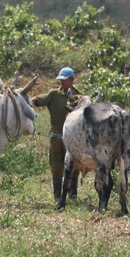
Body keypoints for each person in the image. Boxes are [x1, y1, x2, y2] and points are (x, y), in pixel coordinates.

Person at [32, 67, 80, 206]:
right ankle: (57, 197)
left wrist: (72, 99)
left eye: (65, 80)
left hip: (71, 139)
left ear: (72, 80)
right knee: (56, 166)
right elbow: (38, 100)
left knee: (73, 166)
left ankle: (72, 195)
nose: (62, 83)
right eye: (61, 80)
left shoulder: (79, 97)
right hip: (55, 136)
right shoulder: (53, 94)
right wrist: (27, 100)